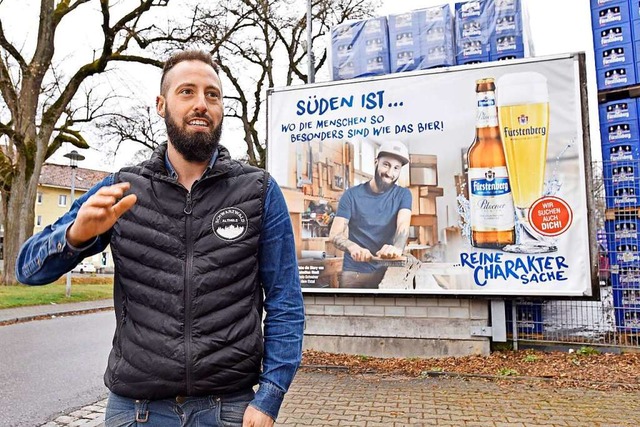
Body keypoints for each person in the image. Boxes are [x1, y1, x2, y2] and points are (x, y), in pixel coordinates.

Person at [16, 50, 304, 427]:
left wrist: (269, 397)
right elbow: (27, 269)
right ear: (161, 104)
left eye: (212, 95)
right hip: (136, 412)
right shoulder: (121, 188)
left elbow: (285, 300)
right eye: (187, 91)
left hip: (228, 409)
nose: (202, 103)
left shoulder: (258, 190)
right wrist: (75, 235)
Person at [329, 141, 412, 288]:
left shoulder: (403, 194)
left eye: (396, 168)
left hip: (389, 272)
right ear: (376, 162)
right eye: (386, 165)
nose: (390, 173)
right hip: (355, 271)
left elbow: (402, 227)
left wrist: (397, 248)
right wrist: (353, 247)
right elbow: (335, 234)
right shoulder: (351, 195)